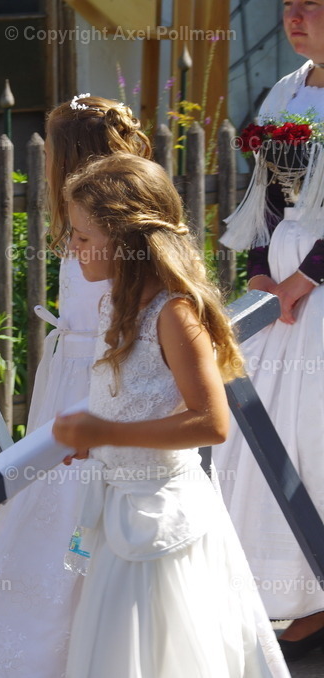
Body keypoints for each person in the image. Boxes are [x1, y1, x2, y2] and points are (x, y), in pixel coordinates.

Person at [0, 95, 151, 678]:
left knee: (75, 506)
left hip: (96, 381)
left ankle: (75, 636)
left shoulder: (117, 233)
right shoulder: (80, 223)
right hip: (68, 373)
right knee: (44, 503)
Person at [52, 153, 288, 677]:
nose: (73, 247)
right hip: (119, 517)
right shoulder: (117, 303)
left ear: (128, 240)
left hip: (163, 525)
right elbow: (133, 398)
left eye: (85, 236)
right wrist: (100, 440)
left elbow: (213, 422)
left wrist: (107, 430)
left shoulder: (173, 313)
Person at [213, 0, 324, 659]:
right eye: (287, 4)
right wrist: (260, 272)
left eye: (310, 4)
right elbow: (265, 196)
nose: (294, 14)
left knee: (314, 430)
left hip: (316, 289)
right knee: (264, 435)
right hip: (281, 289)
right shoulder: (285, 91)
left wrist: (304, 279)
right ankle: (286, 590)